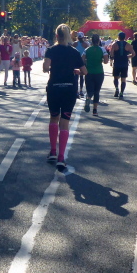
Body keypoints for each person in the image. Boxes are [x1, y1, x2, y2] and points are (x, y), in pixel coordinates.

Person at [43, 24, 87, 172]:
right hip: (69, 88)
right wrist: (75, 71)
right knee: (65, 122)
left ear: (56, 35)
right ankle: (61, 157)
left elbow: (45, 68)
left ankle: (52, 152)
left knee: (53, 118)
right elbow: (85, 71)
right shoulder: (74, 52)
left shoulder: (51, 50)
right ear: (69, 36)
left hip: (54, 87)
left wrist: (55, 68)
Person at [82, 34, 108, 116]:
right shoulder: (102, 49)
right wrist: (100, 59)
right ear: (99, 41)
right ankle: (95, 110)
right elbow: (106, 61)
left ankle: (88, 98)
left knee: (90, 91)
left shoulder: (87, 49)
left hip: (89, 72)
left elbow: (82, 60)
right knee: (97, 91)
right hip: (99, 72)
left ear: (91, 41)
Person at [111, 31, 134, 99]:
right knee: (123, 79)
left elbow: (111, 54)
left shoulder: (114, 44)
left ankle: (117, 88)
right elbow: (133, 54)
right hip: (124, 63)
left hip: (117, 63)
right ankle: (121, 93)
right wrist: (127, 56)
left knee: (116, 77)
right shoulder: (128, 45)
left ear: (118, 37)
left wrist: (114, 57)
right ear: (125, 37)